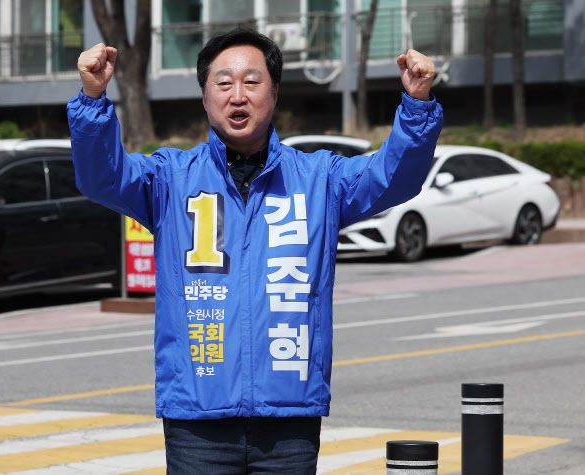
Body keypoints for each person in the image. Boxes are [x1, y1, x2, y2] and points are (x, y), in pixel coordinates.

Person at [68, 28, 442, 474]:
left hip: (289, 419)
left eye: (251, 81)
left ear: (275, 92)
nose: (237, 96)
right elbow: (102, 177)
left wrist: (416, 104)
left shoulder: (319, 179)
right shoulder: (170, 178)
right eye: (223, 83)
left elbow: (393, 177)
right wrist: (93, 98)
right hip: (197, 420)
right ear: (205, 97)